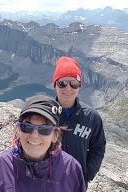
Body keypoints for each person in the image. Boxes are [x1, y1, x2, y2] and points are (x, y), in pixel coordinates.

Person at [0, 95, 86, 192]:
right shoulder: (0, 165)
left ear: (55, 135)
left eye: (44, 129)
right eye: (27, 127)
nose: (34, 135)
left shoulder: (71, 169)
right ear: (18, 130)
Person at [52, 56, 106, 188]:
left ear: (80, 86)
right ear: (55, 85)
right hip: (47, 183)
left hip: (76, 184)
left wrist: (86, 174)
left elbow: (98, 148)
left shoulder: (92, 117)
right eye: (62, 83)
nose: (68, 89)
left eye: (74, 84)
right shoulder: (45, 114)